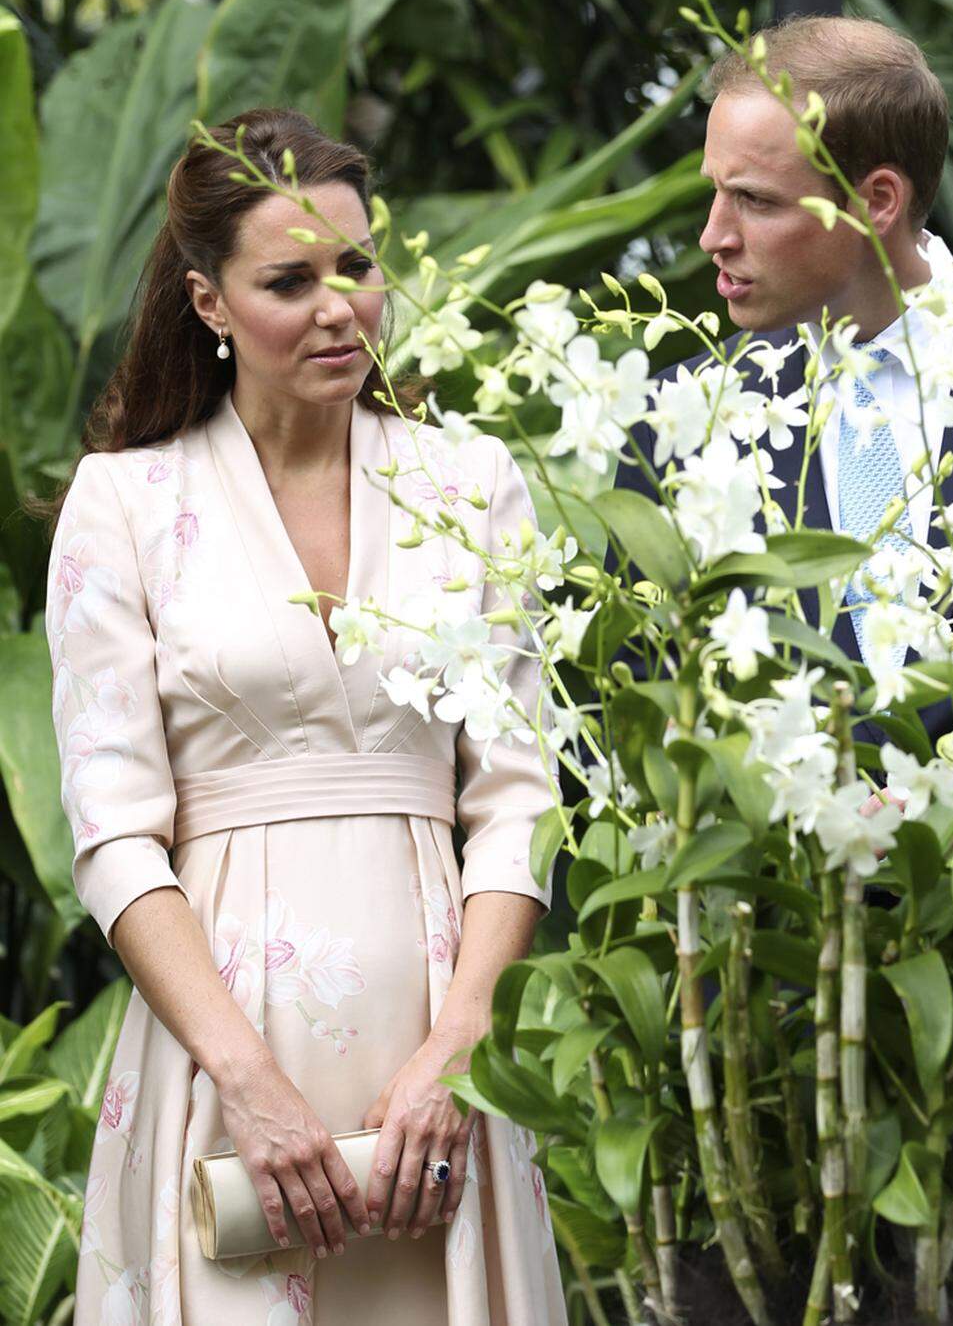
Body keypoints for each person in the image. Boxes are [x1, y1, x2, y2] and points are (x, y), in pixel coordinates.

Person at [46, 108, 567, 1325]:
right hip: (220, 1062)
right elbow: (116, 833)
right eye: (291, 279)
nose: (341, 306)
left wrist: (460, 1049)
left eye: (358, 267)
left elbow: (515, 795)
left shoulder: (471, 483)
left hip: (437, 1053)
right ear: (209, 302)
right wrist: (250, 1083)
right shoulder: (123, 505)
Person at [614, 16, 953, 740]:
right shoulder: (677, 417)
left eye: (755, 199)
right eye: (716, 192)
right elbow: (629, 722)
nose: (713, 235)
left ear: (879, 200)